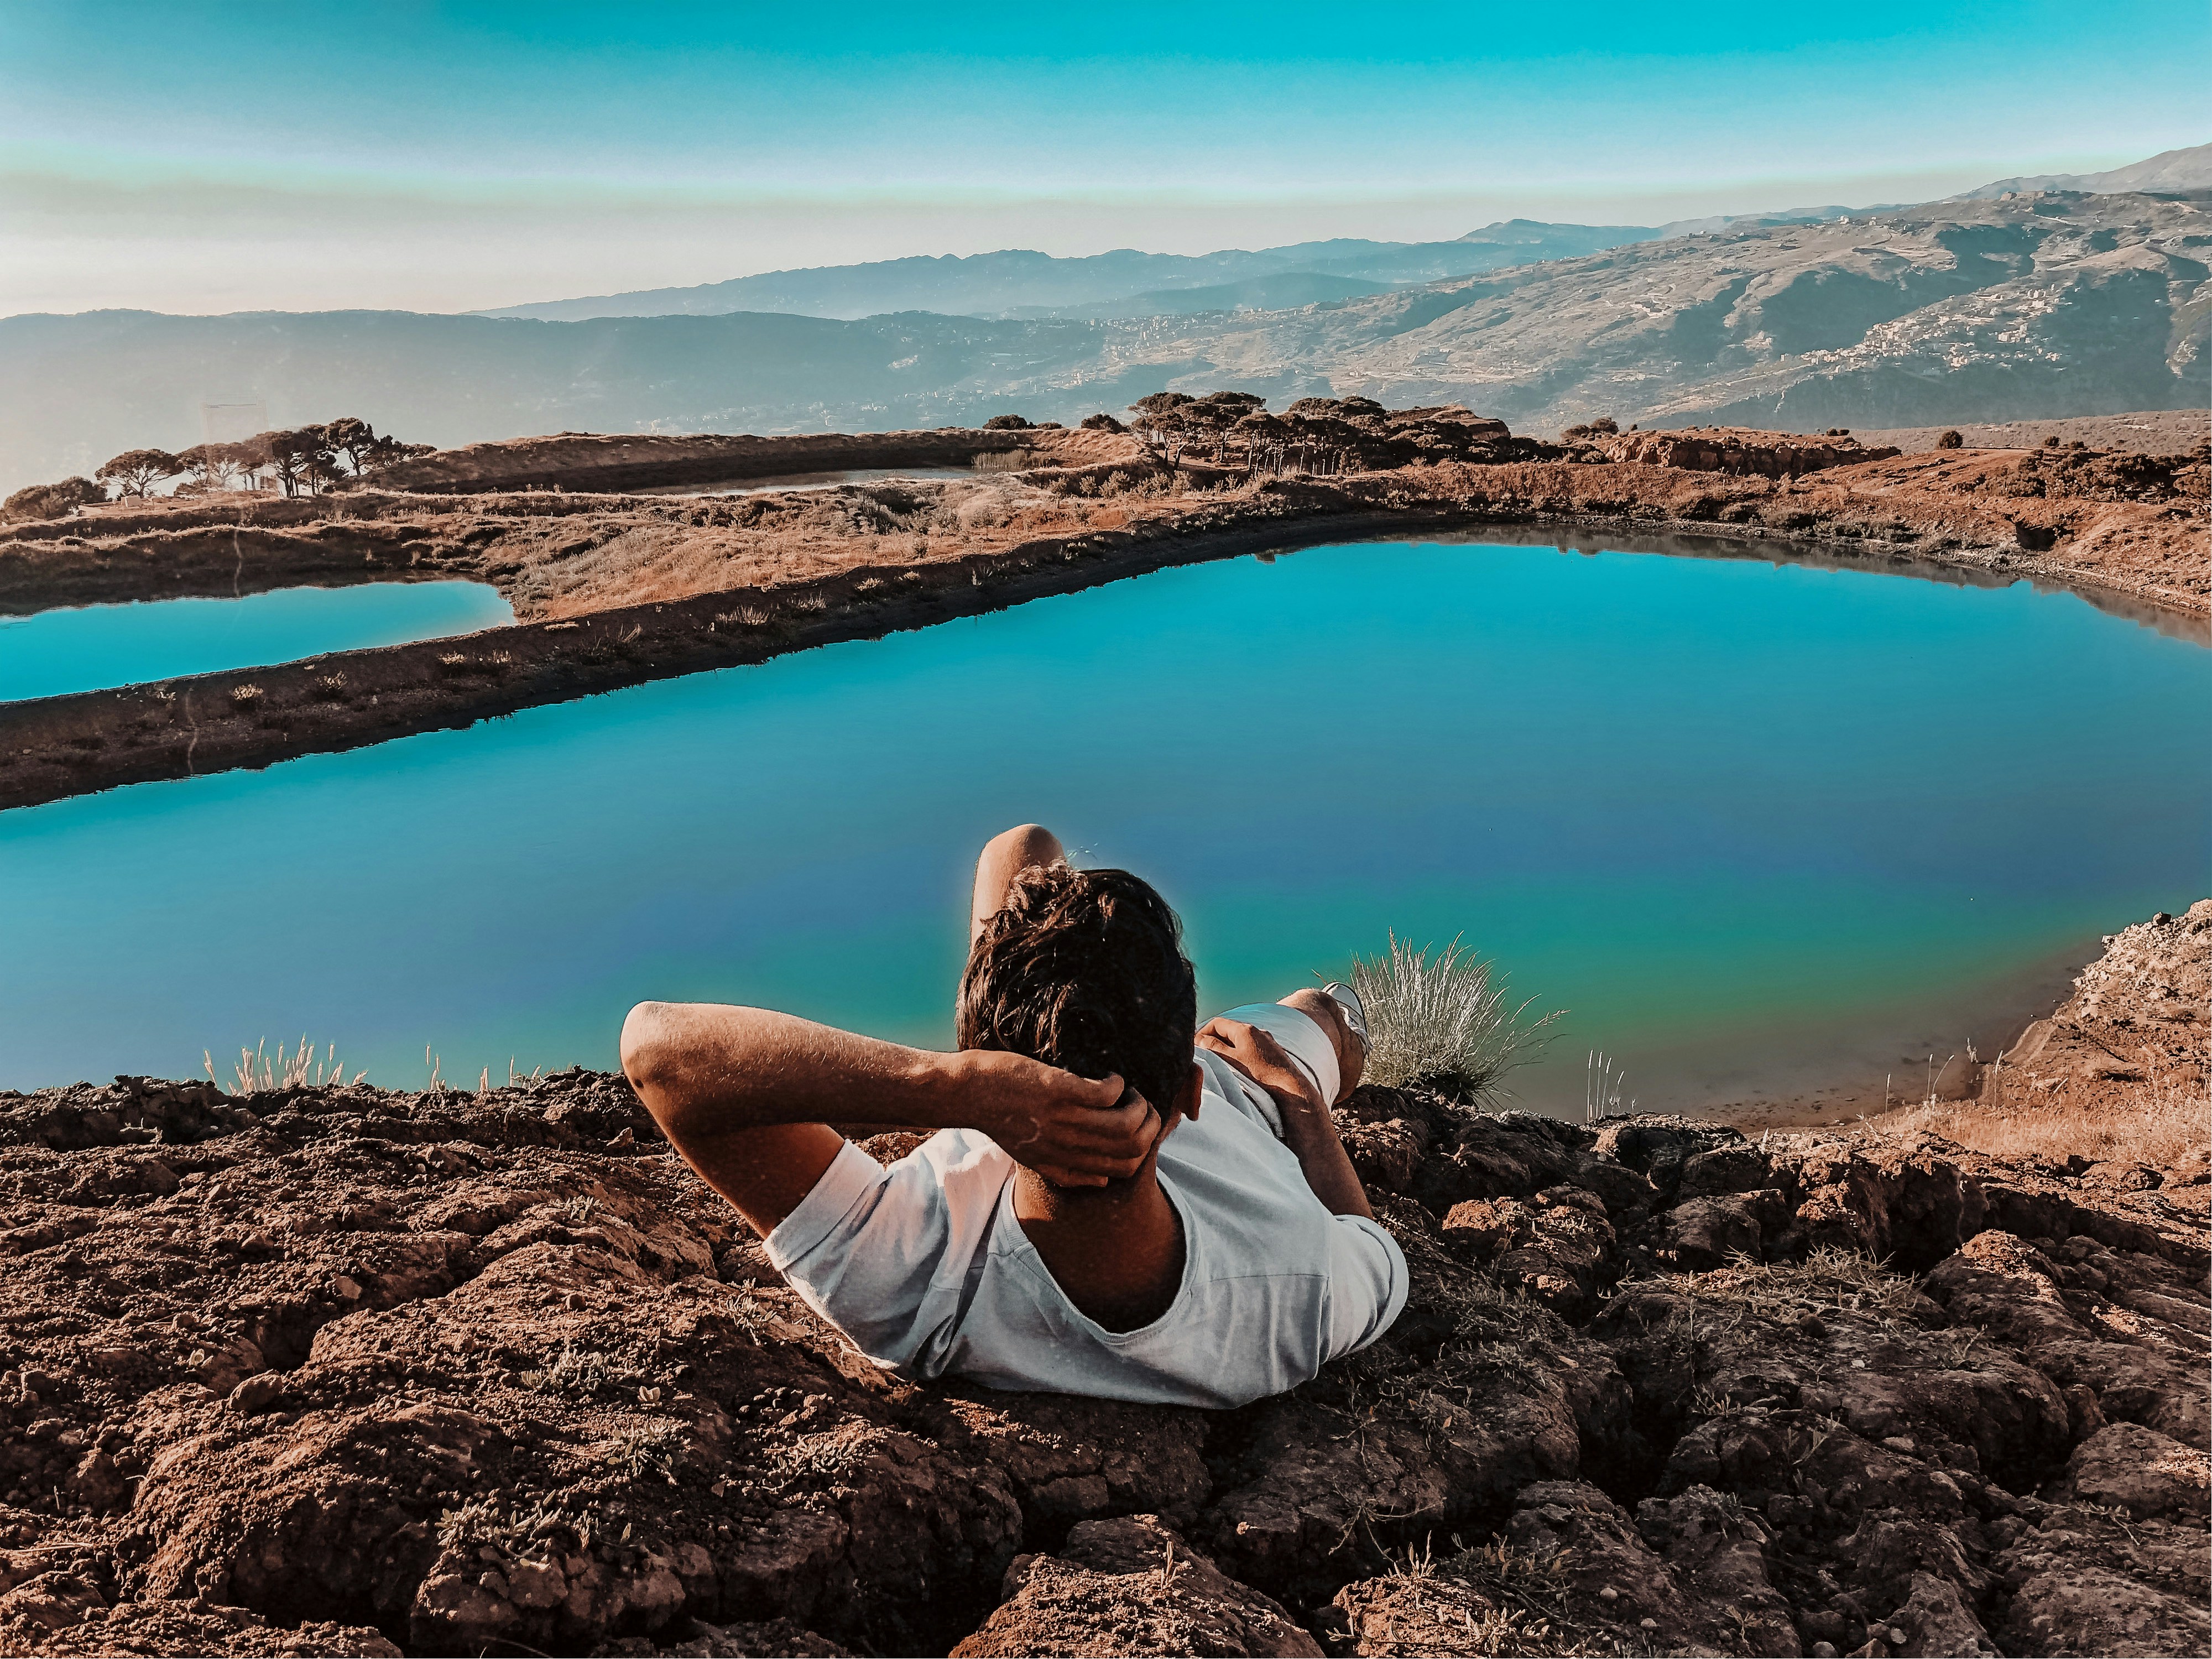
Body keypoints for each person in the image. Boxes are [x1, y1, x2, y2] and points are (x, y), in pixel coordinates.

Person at [619, 823, 1406, 1407]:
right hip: (1249, 1083)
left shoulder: (913, 1275)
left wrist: (953, 1085)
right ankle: (1274, 1033)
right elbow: (1370, 1239)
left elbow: (657, 1050)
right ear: (1188, 1101)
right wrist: (1301, 1101)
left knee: (1021, 851)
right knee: (1324, 1012)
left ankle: (1032, 1009)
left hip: (1040, 1072)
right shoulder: (1297, 1290)